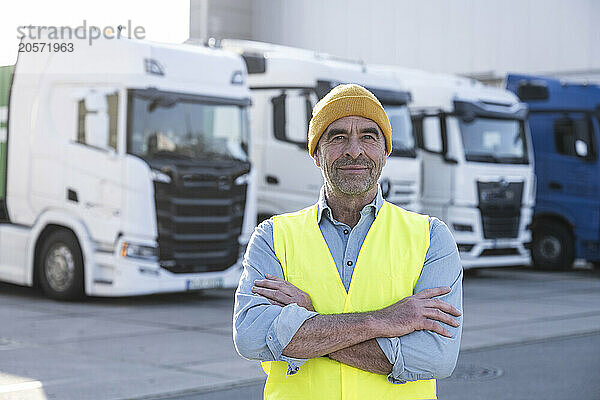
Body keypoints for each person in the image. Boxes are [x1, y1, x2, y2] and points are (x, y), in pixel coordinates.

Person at [233, 84, 463, 399]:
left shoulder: (431, 238)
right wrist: (382, 321)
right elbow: (250, 337)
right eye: (338, 136)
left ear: (385, 151)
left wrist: (307, 325)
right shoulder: (272, 237)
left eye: (369, 136)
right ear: (316, 153)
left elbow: (435, 356)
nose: (354, 150)